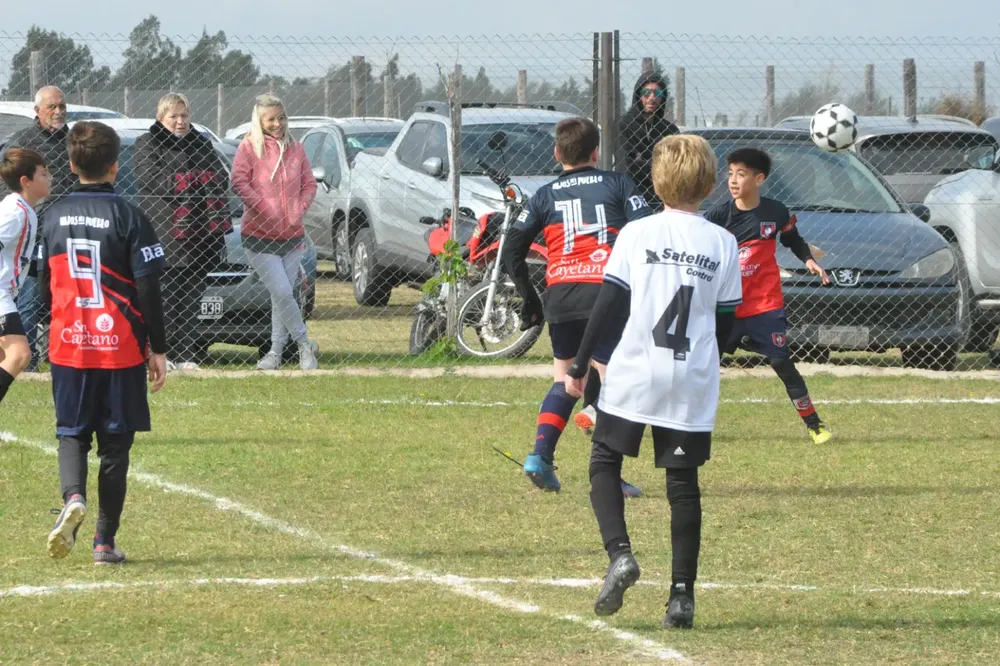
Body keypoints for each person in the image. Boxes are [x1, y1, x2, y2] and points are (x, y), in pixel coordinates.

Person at [563, 134, 742, 629]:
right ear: (708, 184)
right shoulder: (724, 243)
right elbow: (726, 324)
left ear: (658, 181)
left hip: (636, 370)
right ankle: (681, 596)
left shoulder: (636, 234)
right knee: (683, 485)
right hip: (691, 376)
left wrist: (579, 366)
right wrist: (709, 359)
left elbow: (608, 305)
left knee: (604, 461)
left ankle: (620, 554)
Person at [502, 116, 655, 497]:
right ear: (596, 152)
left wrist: (530, 298)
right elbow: (647, 228)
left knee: (568, 381)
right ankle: (606, 466)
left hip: (562, 295)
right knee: (615, 381)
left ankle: (540, 456)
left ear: (557, 153)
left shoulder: (544, 195)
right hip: (608, 291)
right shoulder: (618, 183)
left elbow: (511, 250)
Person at [39, 121, 168, 564]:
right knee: (115, 446)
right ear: (116, 164)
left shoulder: (52, 216)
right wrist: (160, 346)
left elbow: (44, 286)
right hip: (119, 347)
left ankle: (73, 495)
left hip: (69, 345)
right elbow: (149, 289)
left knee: (71, 435)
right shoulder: (131, 216)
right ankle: (103, 542)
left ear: (72, 164)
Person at [703, 148, 833, 444]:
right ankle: (694, 425)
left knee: (780, 362)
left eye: (741, 174)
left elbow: (791, 238)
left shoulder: (776, 212)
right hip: (726, 307)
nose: (733, 180)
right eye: (731, 173)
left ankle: (815, 425)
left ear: (759, 179)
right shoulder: (717, 216)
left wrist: (807, 259)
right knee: (707, 366)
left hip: (764, 304)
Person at [135, 93, 232, 370]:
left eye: (184, 115)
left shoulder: (201, 142)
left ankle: (187, 355)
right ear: (161, 117)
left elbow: (219, 176)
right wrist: (192, 181)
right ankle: (161, 355)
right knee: (165, 300)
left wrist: (190, 182)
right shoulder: (147, 143)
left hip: (199, 236)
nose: (180, 122)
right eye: (173, 116)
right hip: (164, 235)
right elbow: (152, 179)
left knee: (191, 299)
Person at [231, 94, 319, 371]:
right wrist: (261, 206)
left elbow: (309, 184)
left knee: (282, 297)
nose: (278, 123)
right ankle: (305, 346)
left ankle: (275, 353)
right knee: (281, 290)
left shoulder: (297, 148)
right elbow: (239, 181)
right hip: (258, 237)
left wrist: (298, 208)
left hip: (292, 236)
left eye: (281, 117)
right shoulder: (248, 147)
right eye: (271, 119)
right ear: (259, 120)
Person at [2, 86, 75, 371]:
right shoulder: (23, 143)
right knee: (29, 295)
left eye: (62, 106)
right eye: (52, 107)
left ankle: (64, 355)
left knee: (66, 296)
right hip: (32, 234)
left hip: (66, 232)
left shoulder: (73, 141)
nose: (58, 112)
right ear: (37, 111)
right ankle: (27, 362)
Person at [0, 148, 51, 404]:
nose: (49, 177)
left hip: (6, 293)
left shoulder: (25, 209)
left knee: (3, 357)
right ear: (26, 181)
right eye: (44, 173)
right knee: (19, 354)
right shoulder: (14, 212)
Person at [618, 72, 679, 206]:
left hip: (662, 198)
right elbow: (627, 165)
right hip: (631, 197)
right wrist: (658, 162)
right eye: (647, 92)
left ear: (663, 98)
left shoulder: (670, 130)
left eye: (658, 93)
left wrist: (641, 161)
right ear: (638, 94)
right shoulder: (623, 125)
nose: (652, 98)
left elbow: (674, 167)